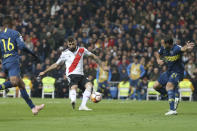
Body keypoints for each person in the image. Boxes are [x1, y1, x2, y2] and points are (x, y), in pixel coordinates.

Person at [39, 36, 103, 111]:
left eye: (73, 44)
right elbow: (56, 64)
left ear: (75, 43)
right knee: (74, 87)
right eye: (70, 44)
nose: (71, 45)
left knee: (89, 86)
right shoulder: (64, 53)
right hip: (71, 74)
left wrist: (102, 65)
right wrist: (44, 71)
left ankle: (82, 106)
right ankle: (73, 100)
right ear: (67, 44)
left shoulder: (82, 50)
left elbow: (92, 55)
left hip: (81, 74)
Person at [0, 16, 44, 115]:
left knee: (21, 85)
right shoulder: (15, 33)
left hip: (5, 62)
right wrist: (33, 55)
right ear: (11, 24)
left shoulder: (0, 35)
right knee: (14, 82)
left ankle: (33, 108)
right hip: (13, 61)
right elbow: (22, 46)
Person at [153, 38, 194, 115]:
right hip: (169, 71)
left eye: (164, 44)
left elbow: (183, 49)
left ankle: (172, 110)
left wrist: (186, 47)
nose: (163, 45)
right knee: (155, 86)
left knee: (169, 86)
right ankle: (172, 96)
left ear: (168, 44)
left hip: (178, 72)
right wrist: (158, 60)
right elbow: (157, 53)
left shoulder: (176, 48)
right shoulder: (163, 48)